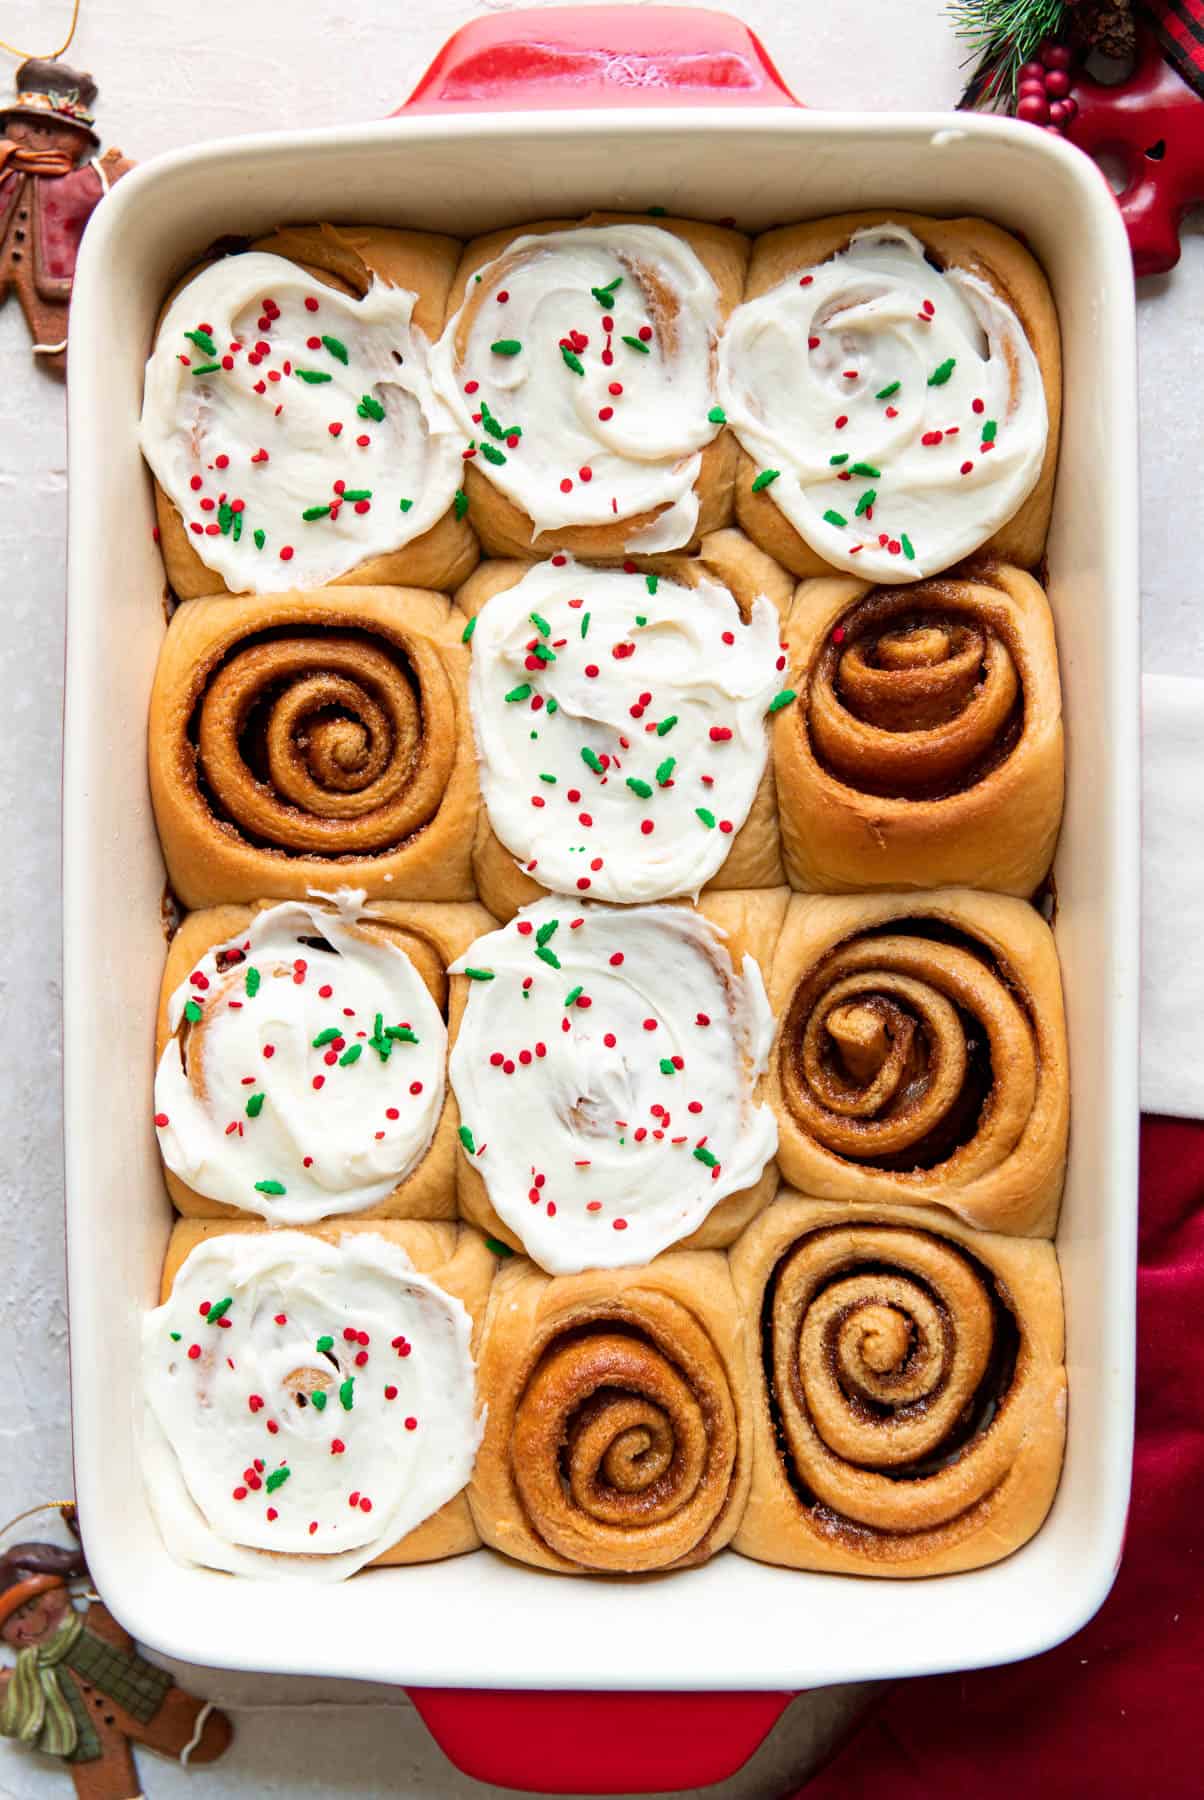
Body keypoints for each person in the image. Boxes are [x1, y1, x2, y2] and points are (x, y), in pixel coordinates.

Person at [0, 1536, 231, 1799]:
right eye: (17, 1619)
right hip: (85, 1742)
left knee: (199, 1731)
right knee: (103, 1784)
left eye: (33, 1606)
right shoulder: (31, 1679)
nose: (31, 1622)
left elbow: (112, 1600)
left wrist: (96, 1556)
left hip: (147, 1702)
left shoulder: (98, 1628)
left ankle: (195, 1732)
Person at [0, 58, 133, 373]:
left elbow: (87, 189)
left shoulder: (65, 182)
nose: (40, 133)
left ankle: (59, 347)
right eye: (30, 124)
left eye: (57, 129)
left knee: (59, 329)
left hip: (50, 269)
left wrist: (110, 170)